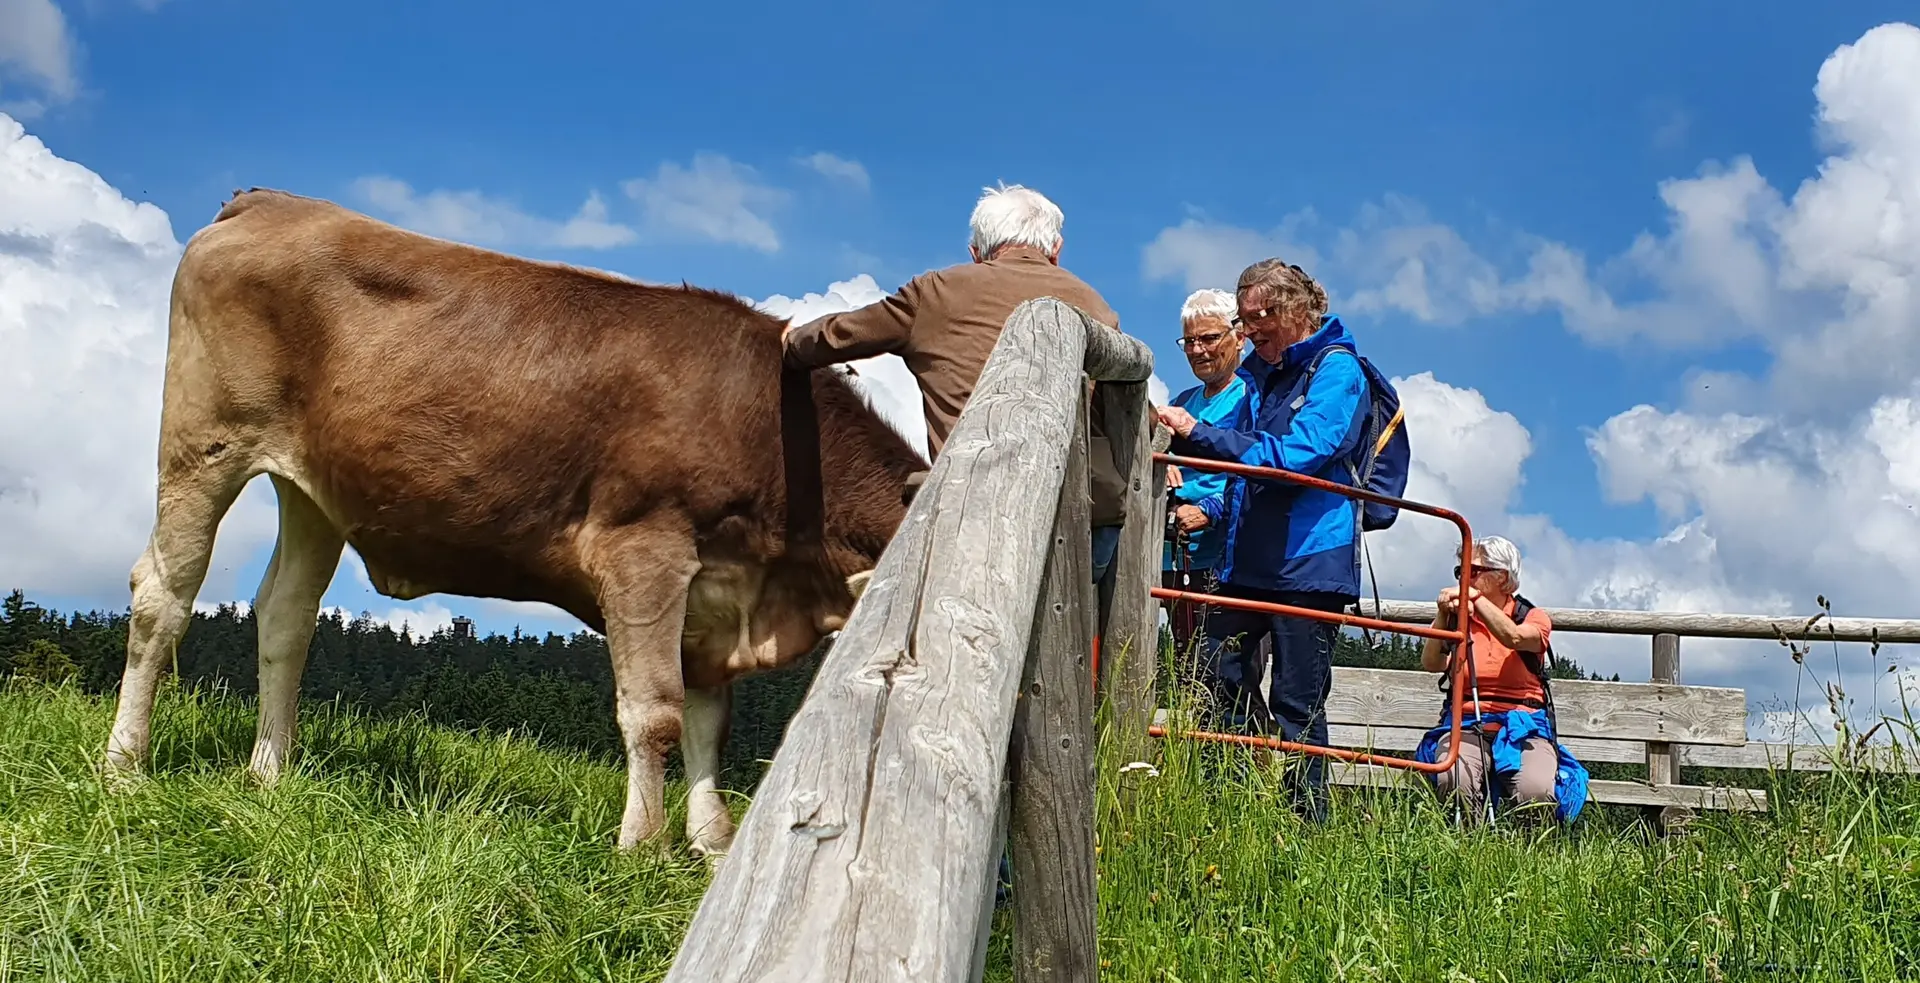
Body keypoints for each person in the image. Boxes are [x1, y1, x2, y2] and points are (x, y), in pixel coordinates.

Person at [780, 183, 1131, 583]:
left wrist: (789, 341)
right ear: (1056, 249)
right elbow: (1126, 405)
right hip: (1078, 520)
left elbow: (840, 335)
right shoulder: (1095, 305)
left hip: (974, 514)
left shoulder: (936, 293)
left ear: (976, 253)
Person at [1155, 258, 1380, 820]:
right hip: (1249, 556)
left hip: (1310, 559)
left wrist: (1198, 435)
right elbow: (1241, 462)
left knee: (1297, 699)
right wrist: (1186, 472)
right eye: (1245, 317)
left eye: (1261, 317)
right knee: (1212, 670)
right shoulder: (1260, 376)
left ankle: (1303, 823)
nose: (1249, 329)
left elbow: (1299, 455)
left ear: (1297, 311)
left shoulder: (1338, 371)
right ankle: (1231, 805)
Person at [1413, 536, 1589, 825]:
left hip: (1525, 726)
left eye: (1474, 571)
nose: (1464, 579)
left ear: (1503, 579)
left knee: (1535, 789)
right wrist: (1443, 615)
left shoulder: (1532, 617)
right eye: (1461, 573)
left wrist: (1476, 601)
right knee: (1454, 778)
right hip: (1467, 721)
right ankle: (1469, 846)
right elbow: (1431, 663)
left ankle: (1525, 853)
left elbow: (1515, 637)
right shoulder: (1458, 620)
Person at [1160, 288, 1248, 661]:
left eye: (1210, 338)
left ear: (1239, 337)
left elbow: (1255, 469)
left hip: (1225, 556)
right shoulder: (1182, 401)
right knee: (1185, 660)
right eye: (1190, 341)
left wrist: (1211, 509)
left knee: (1227, 664)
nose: (1198, 350)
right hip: (1173, 553)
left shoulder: (1252, 397)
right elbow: (1154, 451)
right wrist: (1163, 463)